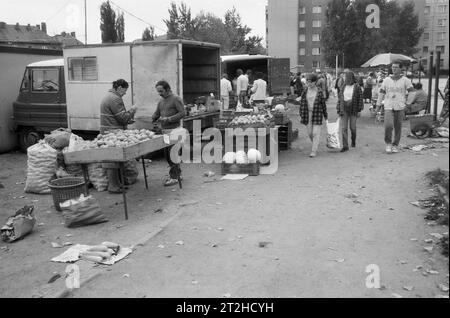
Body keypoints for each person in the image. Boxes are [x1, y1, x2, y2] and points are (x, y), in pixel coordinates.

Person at [100, 79, 138, 193]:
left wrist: (127, 120)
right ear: (120, 87)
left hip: (109, 130)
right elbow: (122, 118)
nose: (125, 93)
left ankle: (117, 184)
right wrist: (132, 111)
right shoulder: (115, 98)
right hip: (112, 132)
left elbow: (118, 117)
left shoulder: (109, 96)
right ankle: (113, 186)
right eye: (125, 90)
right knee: (112, 160)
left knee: (114, 159)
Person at [152, 80, 186, 186]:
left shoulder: (176, 99)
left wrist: (169, 119)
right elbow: (157, 113)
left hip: (175, 130)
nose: (160, 93)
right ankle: (177, 174)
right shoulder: (161, 101)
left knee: (172, 154)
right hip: (165, 132)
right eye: (158, 91)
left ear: (167, 89)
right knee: (167, 154)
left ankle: (174, 177)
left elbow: (182, 113)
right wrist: (153, 119)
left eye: (161, 91)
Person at [376, 60, 414, 154]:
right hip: (388, 106)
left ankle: (395, 144)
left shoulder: (405, 80)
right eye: (393, 67)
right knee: (388, 125)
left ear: (401, 68)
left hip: (400, 106)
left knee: (398, 127)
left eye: (396, 67)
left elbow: (412, 92)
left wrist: (408, 103)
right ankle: (388, 143)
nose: (394, 69)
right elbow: (381, 92)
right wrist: (378, 104)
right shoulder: (387, 80)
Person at [299, 73, 328, 158]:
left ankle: (313, 150)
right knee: (310, 133)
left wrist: (325, 115)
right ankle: (315, 143)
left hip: (317, 113)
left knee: (315, 133)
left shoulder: (319, 92)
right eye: (308, 82)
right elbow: (302, 103)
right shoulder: (305, 91)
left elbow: (323, 104)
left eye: (311, 82)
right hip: (307, 114)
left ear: (315, 82)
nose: (309, 83)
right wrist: (301, 112)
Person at [337, 70, 364, 152]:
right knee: (344, 128)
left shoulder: (357, 87)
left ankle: (353, 140)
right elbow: (340, 99)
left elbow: (360, 99)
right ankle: (345, 145)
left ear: (351, 78)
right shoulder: (343, 86)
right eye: (345, 77)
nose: (346, 79)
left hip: (354, 108)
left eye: (347, 77)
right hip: (344, 109)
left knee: (352, 127)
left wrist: (359, 110)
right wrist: (339, 108)